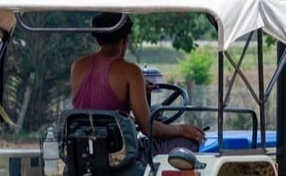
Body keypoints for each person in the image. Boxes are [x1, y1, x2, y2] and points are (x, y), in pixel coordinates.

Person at [70, 12, 203, 153]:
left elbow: (98, 98)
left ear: (98, 41)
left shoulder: (77, 67)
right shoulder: (131, 71)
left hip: (83, 152)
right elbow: (148, 128)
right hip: (121, 156)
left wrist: (136, 89)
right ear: (125, 40)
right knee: (190, 143)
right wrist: (182, 129)